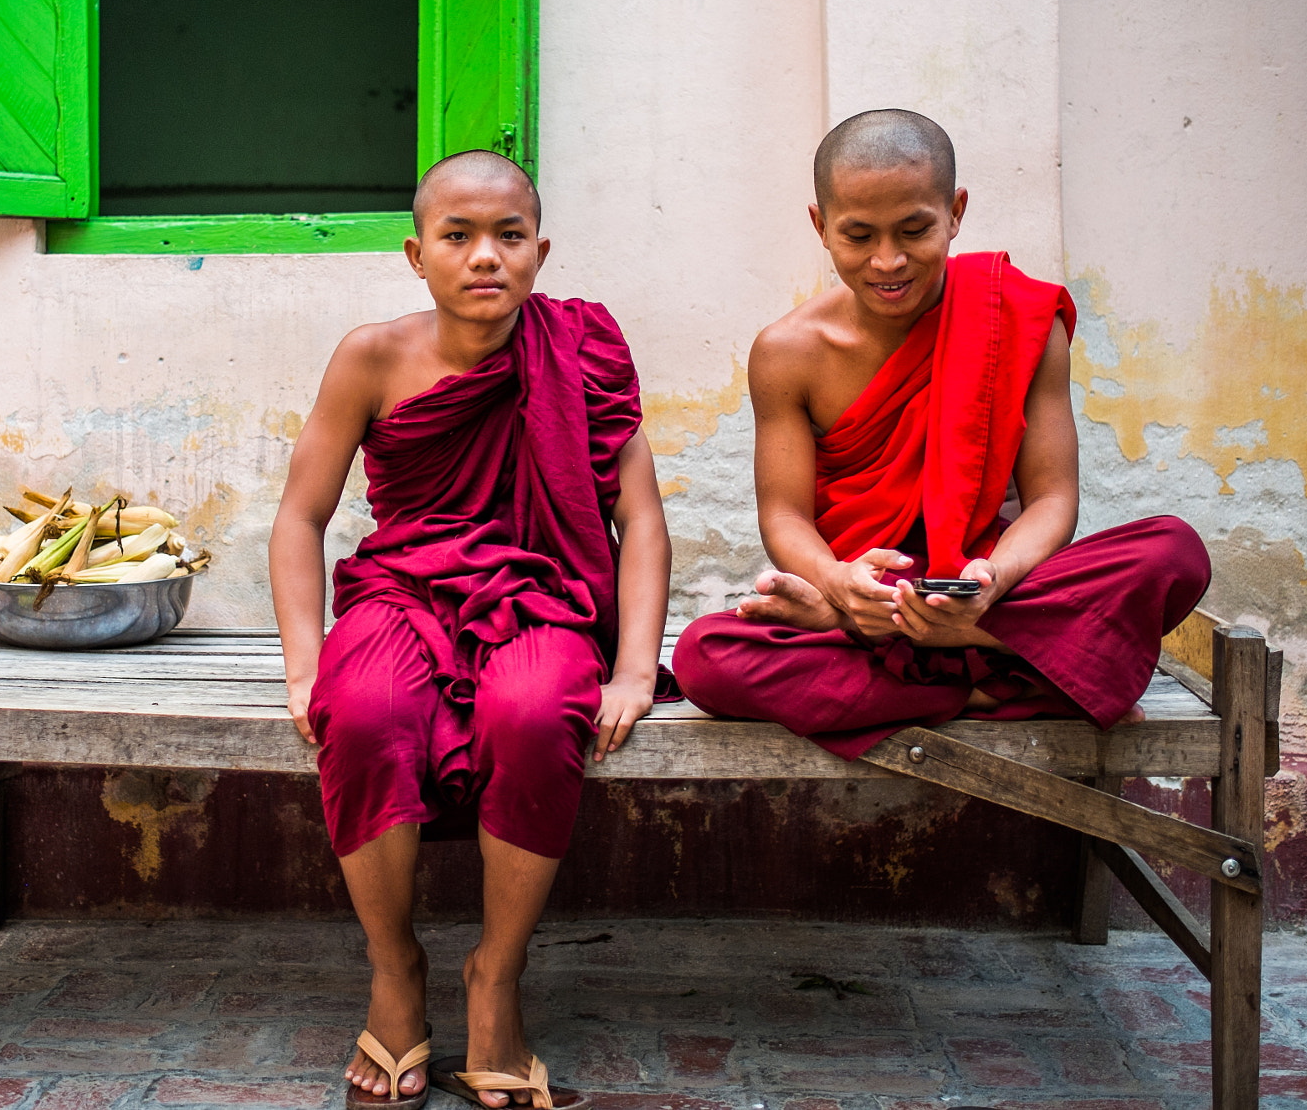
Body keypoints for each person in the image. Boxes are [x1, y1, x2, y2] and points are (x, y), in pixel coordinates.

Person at [270, 150, 671, 1109]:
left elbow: (642, 518)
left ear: (542, 250)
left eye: (509, 235)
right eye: (459, 236)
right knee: (360, 712)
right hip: (404, 592)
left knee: (535, 713)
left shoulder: (582, 352)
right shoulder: (372, 356)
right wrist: (301, 666)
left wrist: (633, 671)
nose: (485, 256)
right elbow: (298, 516)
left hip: (542, 594)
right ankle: (394, 966)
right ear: (418, 254)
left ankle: (496, 976)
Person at [672, 109, 1210, 760]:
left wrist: (990, 583)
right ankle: (1000, 682)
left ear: (954, 212)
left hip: (986, 590)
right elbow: (784, 513)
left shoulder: (1021, 315)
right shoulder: (788, 352)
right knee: (706, 656)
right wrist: (838, 586)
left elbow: (1052, 501)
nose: (888, 260)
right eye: (859, 235)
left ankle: (959, 652)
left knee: (1173, 551)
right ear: (820, 226)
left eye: (915, 229)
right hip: (868, 604)